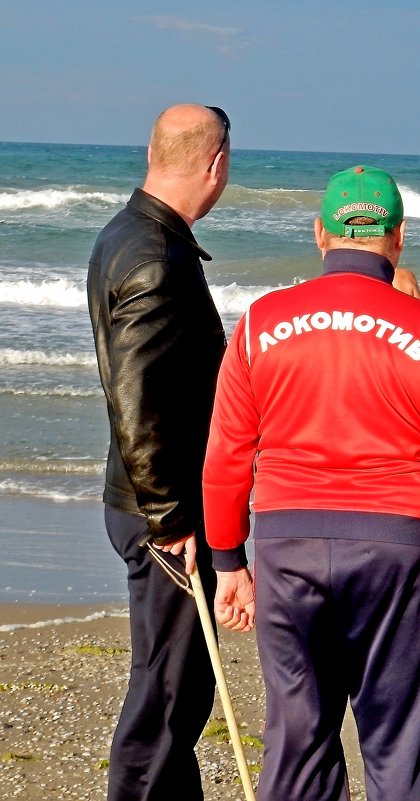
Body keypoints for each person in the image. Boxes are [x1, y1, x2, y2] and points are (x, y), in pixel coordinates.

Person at [203, 165, 420, 801]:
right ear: (397, 240)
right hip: (400, 556)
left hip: (289, 550)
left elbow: (228, 451)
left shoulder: (262, 323)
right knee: (404, 742)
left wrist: (229, 559)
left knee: (298, 740)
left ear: (320, 234)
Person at [86, 103, 231, 801]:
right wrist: (173, 518)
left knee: (182, 685)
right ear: (216, 163)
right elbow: (137, 400)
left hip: (147, 499)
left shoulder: (133, 233)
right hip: (161, 510)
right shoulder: (152, 252)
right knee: (166, 692)